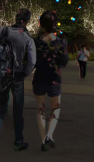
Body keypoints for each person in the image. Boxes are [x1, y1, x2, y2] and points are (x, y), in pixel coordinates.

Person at [0, 7, 36, 151]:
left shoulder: (4, 31)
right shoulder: (28, 38)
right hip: (18, 76)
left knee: (1, 109)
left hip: (2, 73)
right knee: (18, 110)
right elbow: (32, 61)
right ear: (27, 21)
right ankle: (18, 141)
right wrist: (25, 73)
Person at [33, 11, 68, 151]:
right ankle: (49, 135)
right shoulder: (60, 43)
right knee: (55, 107)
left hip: (39, 78)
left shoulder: (35, 42)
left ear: (42, 25)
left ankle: (42, 140)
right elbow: (64, 62)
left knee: (41, 109)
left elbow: (31, 60)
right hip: (54, 79)